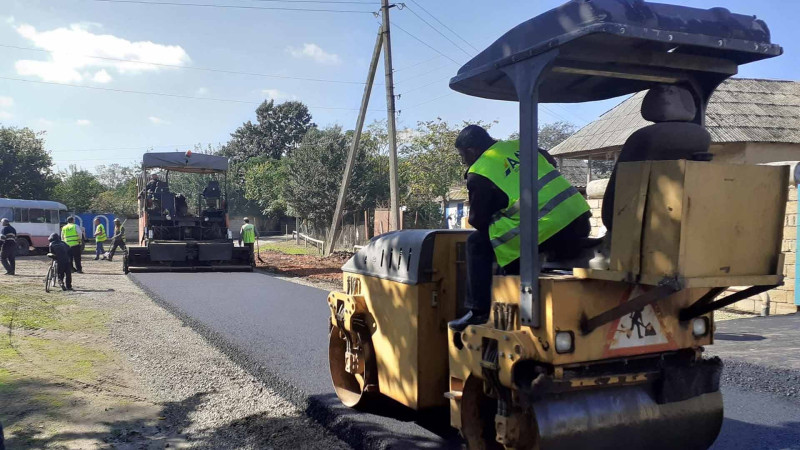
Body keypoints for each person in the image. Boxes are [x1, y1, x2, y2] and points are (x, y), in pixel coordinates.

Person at [448, 125, 591, 331]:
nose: (464, 161)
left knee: (477, 243)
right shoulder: (520, 145)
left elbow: (478, 221)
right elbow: (549, 162)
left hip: (547, 231)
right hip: (578, 221)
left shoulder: (479, 172)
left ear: (471, 151)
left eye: (463, 156)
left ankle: (477, 312)